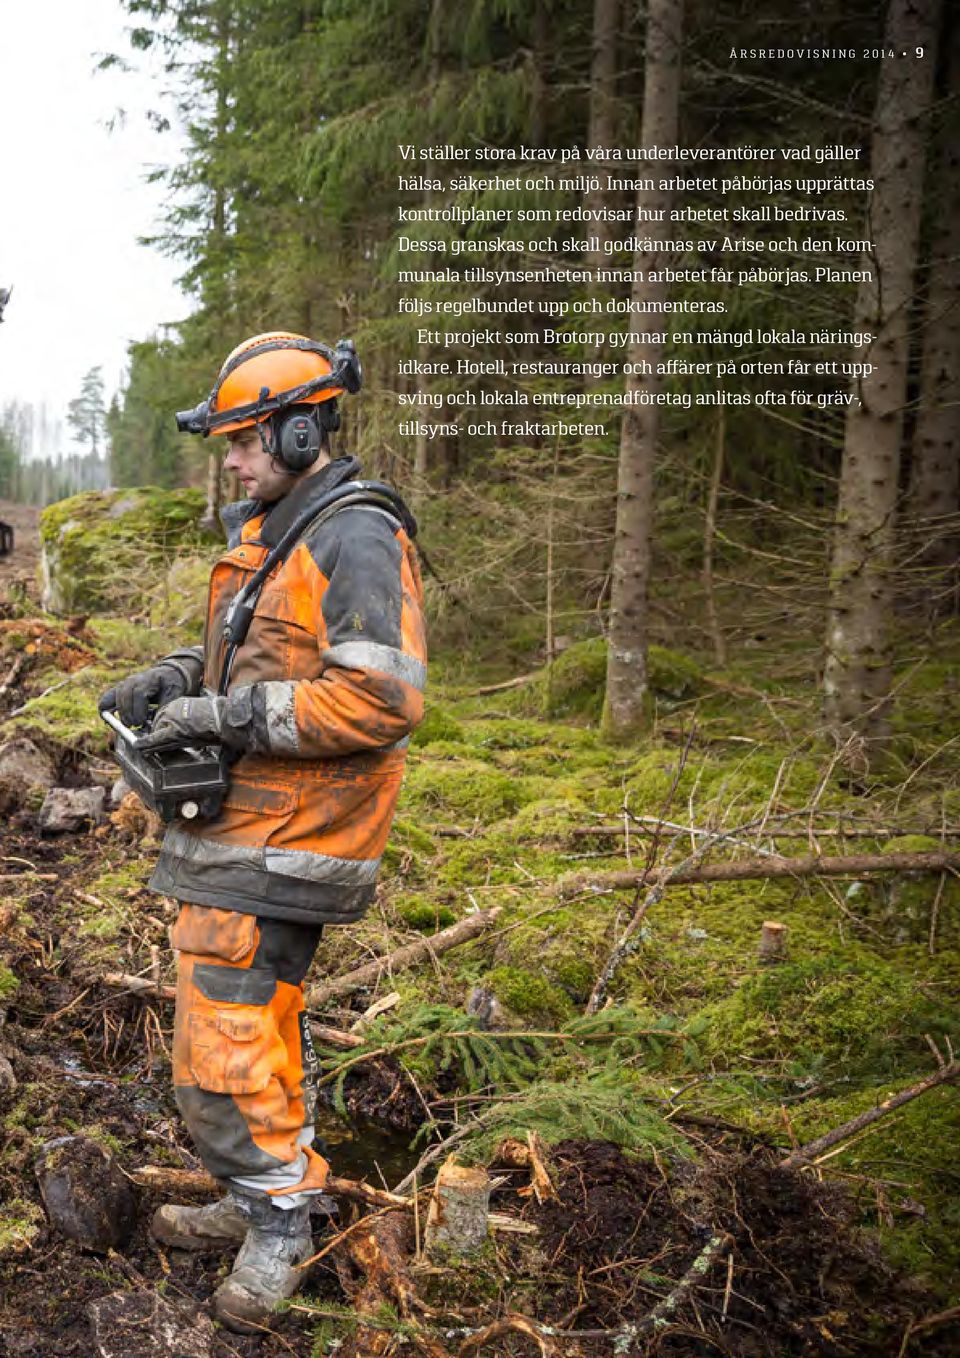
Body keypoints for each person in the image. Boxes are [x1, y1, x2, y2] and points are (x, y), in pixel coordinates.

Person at [99, 331, 427, 1332]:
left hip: (296, 835)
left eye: (245, 441)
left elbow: (380, 698)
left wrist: (225, 718)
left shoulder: (353, 534)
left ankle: (285, 1221)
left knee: (223, 1048)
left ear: (299, 425)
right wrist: (176, 677)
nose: (233, 461)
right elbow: (253, 654)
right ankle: (259, 1196)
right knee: (253, 1025)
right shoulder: (278, 528)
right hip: (251, 827)